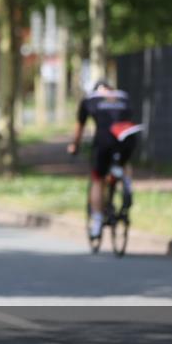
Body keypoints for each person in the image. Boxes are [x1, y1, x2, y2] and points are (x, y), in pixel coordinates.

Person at [67, 80, 142, 239]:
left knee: (97, 179)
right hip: (127, 137)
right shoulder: (123, 96)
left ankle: (97, 221)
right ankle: (127, 184)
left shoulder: (90, 99)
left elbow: (80, 127)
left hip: (104, 140)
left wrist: (74, 146)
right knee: (124, 162)